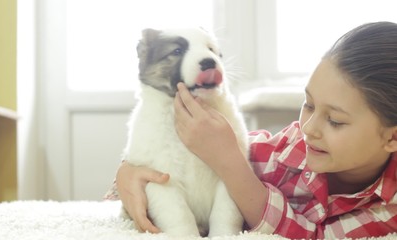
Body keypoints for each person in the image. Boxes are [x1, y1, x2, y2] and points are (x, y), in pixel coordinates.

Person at [104, 21, 397, 239]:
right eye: (307, 105)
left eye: (334, 120)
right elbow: (172, 163)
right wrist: (125, 173)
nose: (307, 128)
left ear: (392, 137)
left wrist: (232, 166)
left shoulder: (389, 207)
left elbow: (314, 236)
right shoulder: (284, 150)